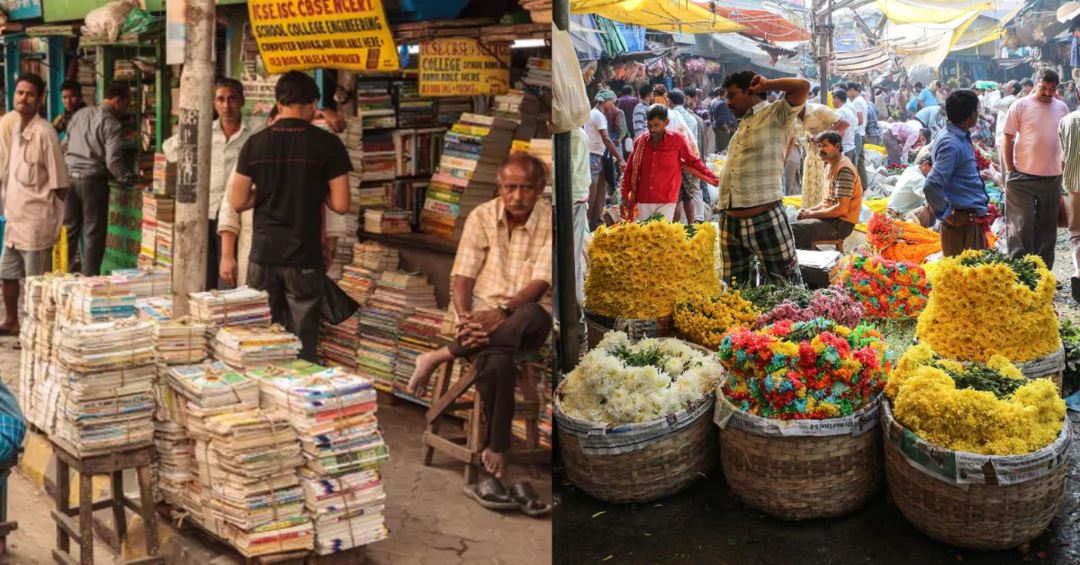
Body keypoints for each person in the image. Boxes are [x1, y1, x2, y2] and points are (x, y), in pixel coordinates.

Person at [406, 153, 553, 482]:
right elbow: (462, 277)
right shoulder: (481, 217)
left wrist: (501, 313)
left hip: (524, 320)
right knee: (496, 361)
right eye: (510, 188)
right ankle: (496, 447)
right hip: (477, 323)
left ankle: (438, 356)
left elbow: (540, 283)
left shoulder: (549, 221)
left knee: (530, 314)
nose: (517, 196)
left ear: (541, 188)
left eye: (526, 188)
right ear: (499, 186)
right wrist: (464, 317)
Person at [228, 71, 351, 361]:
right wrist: (313, 186)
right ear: (313, 103)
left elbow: (238, 201)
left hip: (263, 253)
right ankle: (297, 395)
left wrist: (268, 191)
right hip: (303, 254)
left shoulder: (255, 144)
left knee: (259, 334)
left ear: (278, 102)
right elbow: (341, 204)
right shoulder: (328, 145)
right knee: (302, 335)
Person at [217, 105, 348, 288]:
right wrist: (227, 256)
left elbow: (333, 210)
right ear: (270, 123)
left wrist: (330, 248)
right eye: (281, 124)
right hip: (259, 251)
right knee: (261, 308)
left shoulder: (309, 158)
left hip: (300, 253)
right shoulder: (255, 150)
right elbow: (231, 206)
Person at [712, 71, 808, 286]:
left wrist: (766, 84)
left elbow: (802, 86)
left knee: (787, 287)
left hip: (765, 218)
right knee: (736, 290)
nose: (728, 102)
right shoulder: (743, 124)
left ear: (752, 91)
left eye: (732, 95)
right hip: (730, 222)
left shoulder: (777, 114)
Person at [0, 74, 69, 337]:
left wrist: (50, 216)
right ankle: (11, 322)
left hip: (36, 224)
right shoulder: (16, 129)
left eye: (29, 94)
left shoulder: (45, 133)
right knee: (7, 274)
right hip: (14, 222)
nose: (23, 98)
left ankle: (36, 331)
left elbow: (60, 183)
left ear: (39, 100)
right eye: (19, 93)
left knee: (36, 283)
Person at [63, 82, 135, 276]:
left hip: (69, 179)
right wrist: (127, 178)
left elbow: (64, 146)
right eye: (126, 105)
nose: (125, 110)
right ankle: (89, 281)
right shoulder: (112, 123)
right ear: (117, 101)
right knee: (93, 234)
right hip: (92, 183)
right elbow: (113, 161)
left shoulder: (79, 115)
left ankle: (64, 277)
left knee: (69, 231)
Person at [1003, 68, 1069, 268]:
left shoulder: (1062, 108)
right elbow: (1007, 138)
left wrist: (1063, 166)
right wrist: (1009, 170)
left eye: (1052, 89)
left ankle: (1043, 273)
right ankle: (1019, 273)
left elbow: (1064, 140)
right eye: (1043, 88)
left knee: (1047, 228)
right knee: (1020, 226)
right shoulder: (1020, 105)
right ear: (1035, 85)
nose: (1048, 93)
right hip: (1021, 178)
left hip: (1051, 178)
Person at [621, 105, 719, 221]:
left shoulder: (677, 140)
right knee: (646, 236)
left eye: (656, 125)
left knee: (662, 234)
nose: (652, 129)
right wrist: (624, 195)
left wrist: (713, 178)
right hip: (644, 198)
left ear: (666, 122)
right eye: (649, 125)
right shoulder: (640, 142)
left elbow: (693, 161)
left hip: (667, 198)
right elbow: (630, 170)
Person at [923, 90, 992, 256]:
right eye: (978, 110)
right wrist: (949, 216)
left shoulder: (956, 136)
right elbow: (931, 185)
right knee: (967, 278)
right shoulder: (951, 143)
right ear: (972, 114)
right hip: (962, 227)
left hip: (967, 224)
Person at [790, 132, 862, 249]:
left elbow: (841, 209)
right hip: (830, 220)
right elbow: (826, 202)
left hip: (840, 225)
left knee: (790, 231)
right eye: (819, 146)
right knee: (788, 223)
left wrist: (812, 214)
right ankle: (810, 260)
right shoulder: (830, 166)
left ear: (837, 147)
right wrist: (806, 211)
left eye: (825, 145)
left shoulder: (844, 170)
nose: (820, 149)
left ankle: (808, 263)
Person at [584, 90, 624, 230]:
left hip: (597, 158)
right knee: (592, 195)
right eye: (612, 102)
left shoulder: (594, 113)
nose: (613, 105)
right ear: (605, 101)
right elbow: (606, 138)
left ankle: (597, 225)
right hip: (593, 157)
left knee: (600, 193)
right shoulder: (598, 115)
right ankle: (587, 227)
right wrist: (620, 158)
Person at [800, 101, 849, 209]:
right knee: (814, 187)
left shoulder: (819, 110)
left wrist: (821, 138)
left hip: (827, 158)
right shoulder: (793, 117)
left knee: (829, 185)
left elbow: (844, 123)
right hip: (812, 156)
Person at [670, 89, 708, 223]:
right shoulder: (692, 118)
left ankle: (682, 224)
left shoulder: (670, 115)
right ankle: (698, 218)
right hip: (692, 158)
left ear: (670, 102)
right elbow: (695, 141)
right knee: (693, 190)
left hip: (676, 160)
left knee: (677, 194)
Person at [888, 146, 936, 227]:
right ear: (926, 164)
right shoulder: (919, 179)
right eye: (934, 169)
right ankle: (920, 234)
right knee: (926, 210)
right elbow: (931, 202)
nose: (935, 173)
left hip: (893, 211)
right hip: (896, 215)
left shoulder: (911, 169)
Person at [845, 82, 869, 189]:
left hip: (858, 134)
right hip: (862, 134)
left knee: (855, 164)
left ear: (851, 90)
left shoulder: (857, 102)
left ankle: (856, 189)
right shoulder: (861, 100)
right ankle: (863, 187)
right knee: (860, 163)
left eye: (847, 91)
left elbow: (859, 120)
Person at [832, 91, 859, 170]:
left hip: (844, 150)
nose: (832, 102)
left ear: (836, 99)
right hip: (851, 148)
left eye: (832, 99)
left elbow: (841, 131)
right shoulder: (849, 111)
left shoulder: (841, 112)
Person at [709, 87, 733, 153]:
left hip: (715, 127)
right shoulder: (722, 103)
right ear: (725, 92)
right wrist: (727, 130)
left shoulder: (713, 101)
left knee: (718, 148)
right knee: (721, 150)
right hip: (722, 129)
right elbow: (721, 119)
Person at [632, 84, 655, 148]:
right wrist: (642, 142)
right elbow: (638, 126)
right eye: (652, 94)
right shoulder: (640, 107)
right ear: (649, 95)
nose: (653, 96)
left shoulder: (646, 107)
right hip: (644, 143)